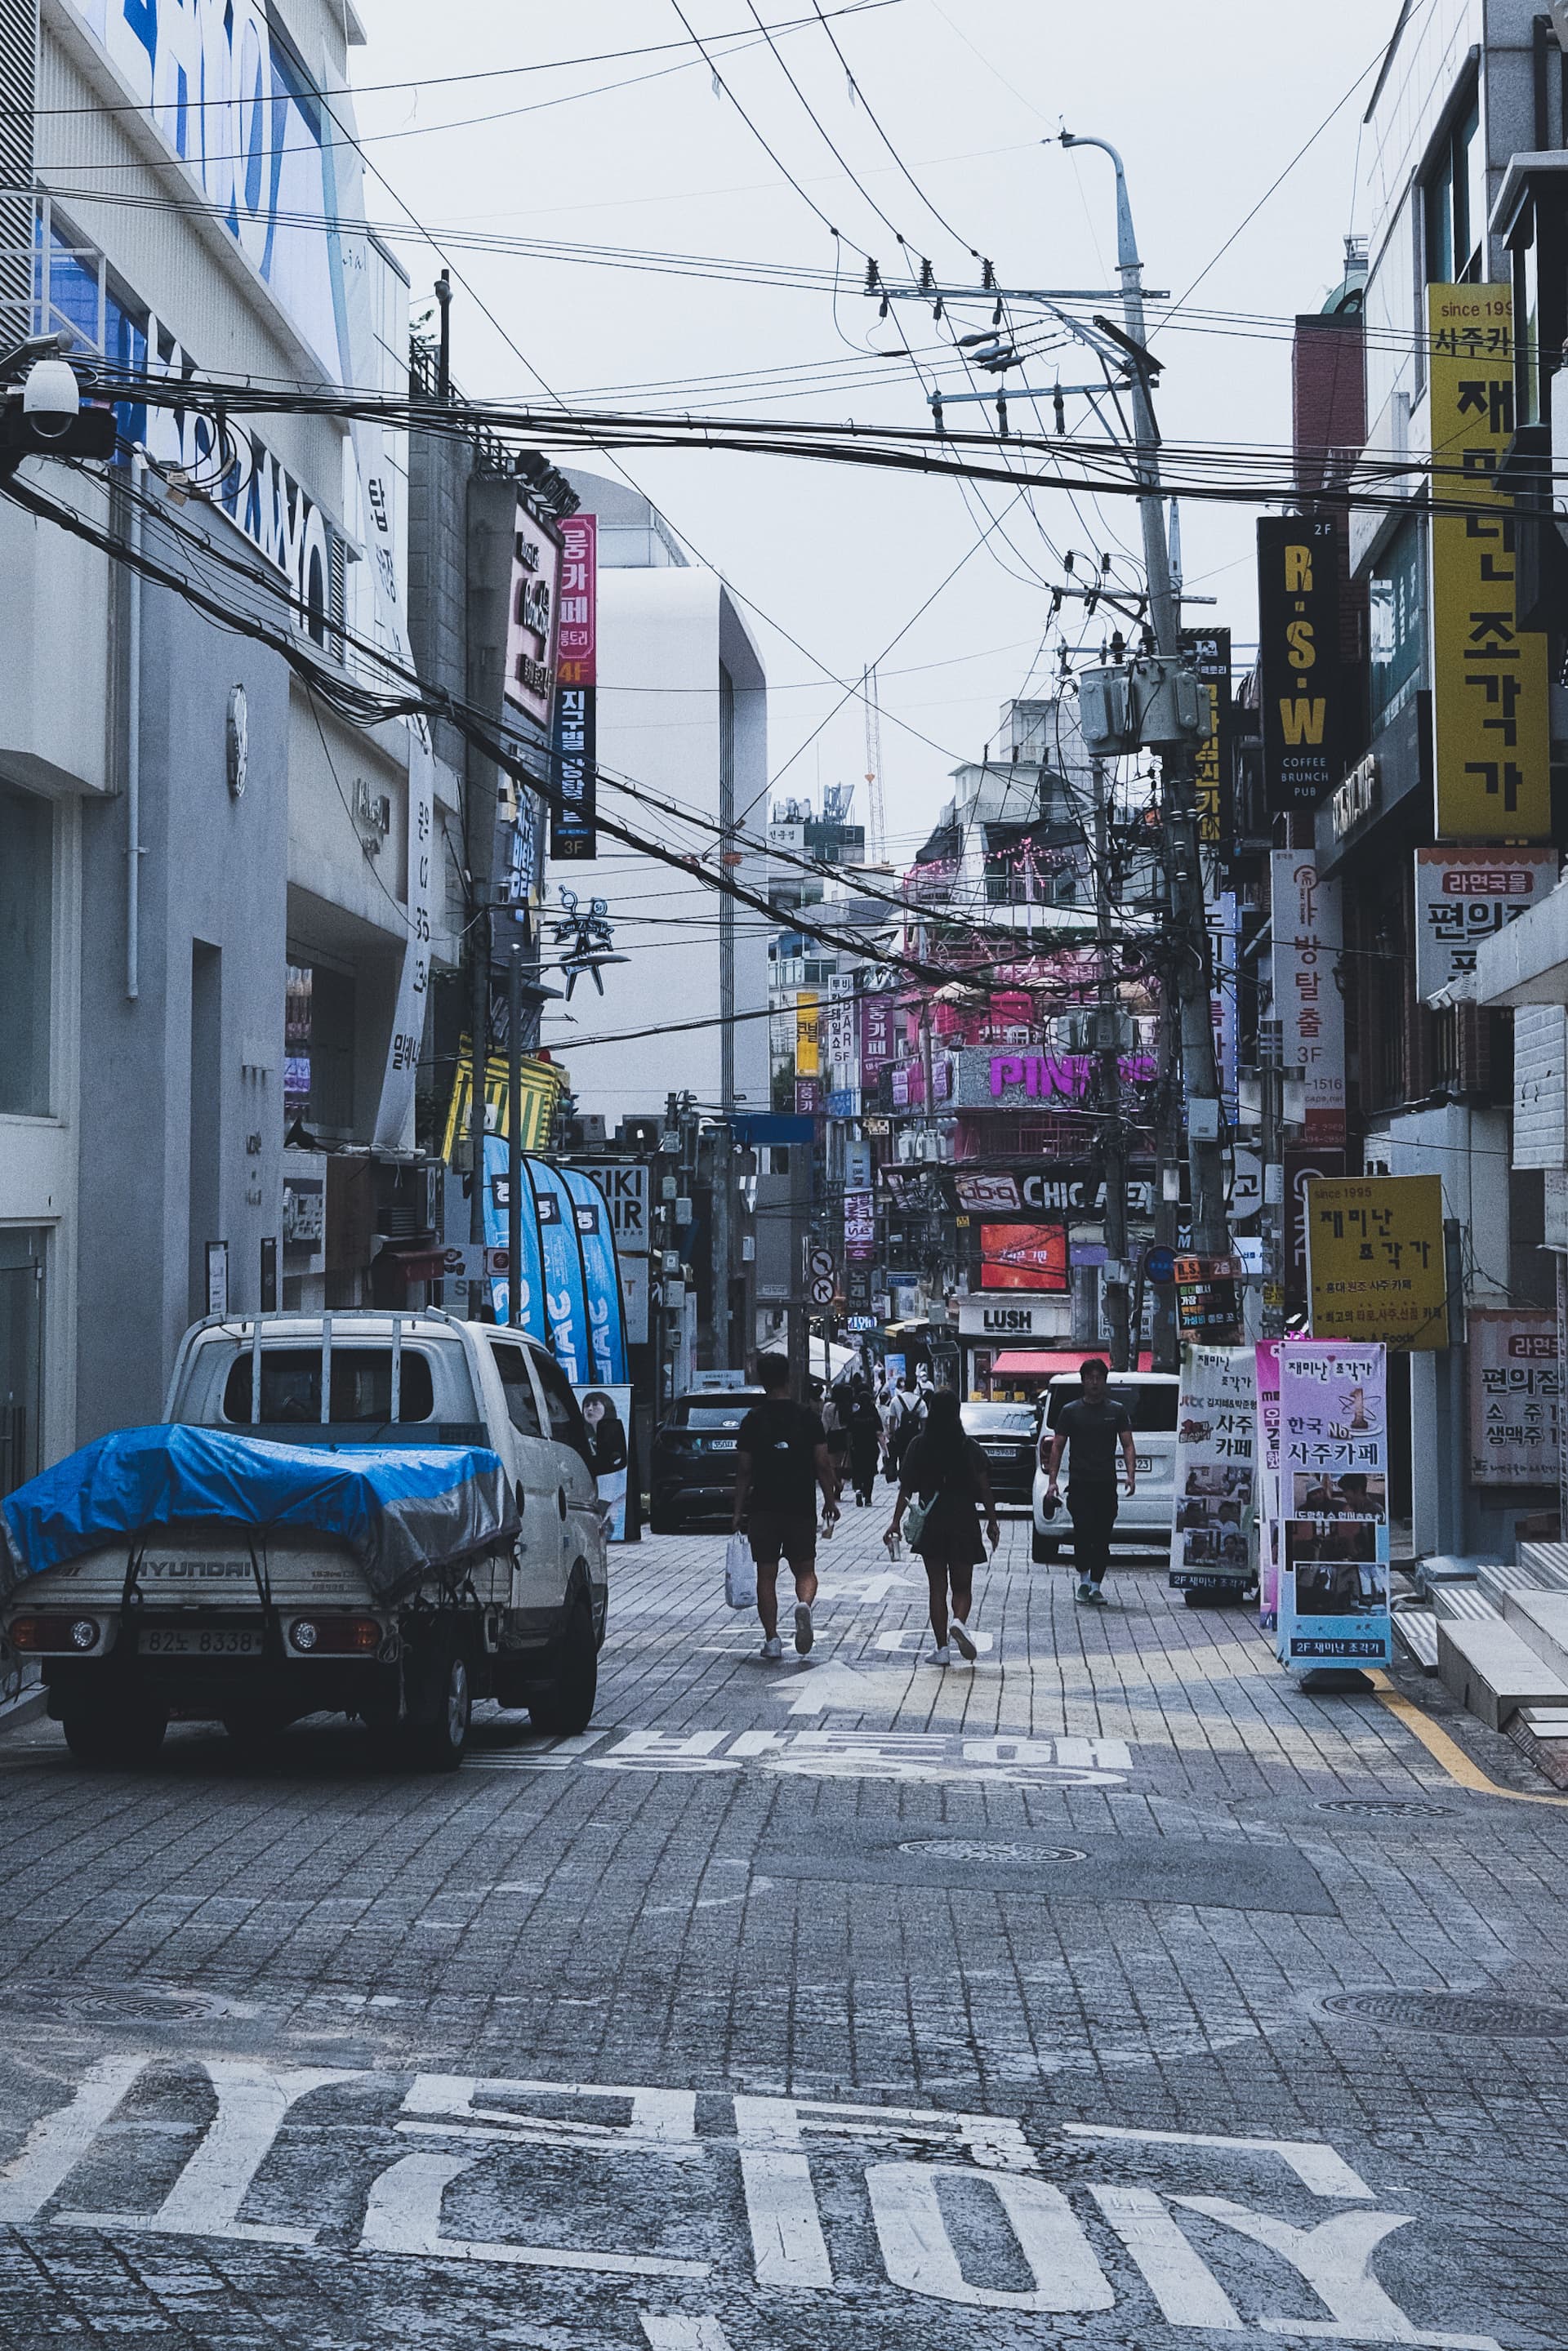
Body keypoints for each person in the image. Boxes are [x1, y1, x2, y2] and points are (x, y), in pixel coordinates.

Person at [733, 1355, 839, 1659]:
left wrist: (738, 1511)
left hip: (764, 1507)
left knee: (766, 1575)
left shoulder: (753, 1420)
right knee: (805, 1569)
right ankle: (804, 1604)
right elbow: (822, 1463)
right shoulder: (807, 1417)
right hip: (800, 1505)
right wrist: (830, 1500)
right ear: (788, 1377)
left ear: (761, 1379)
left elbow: (744, 1470)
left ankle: (772, 1639)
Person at [887, 1386, 999, 1666]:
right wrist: (992, 1522)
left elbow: (906, 1488)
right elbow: (985, 1488)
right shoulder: (969, 1447)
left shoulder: (919, 1446)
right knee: (962, 1586)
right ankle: (959, 1621)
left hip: (933, 1522)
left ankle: (942, 1648)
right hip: (964, 1520)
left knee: (937, 1587)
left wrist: (895, 1522)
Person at [1041, 1357, 1135, 1604]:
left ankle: (1096, 1586)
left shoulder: (1116, 1411)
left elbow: (1127, 1444)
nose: (1094, 1382)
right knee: (1083, 1533)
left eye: (1099, 1378)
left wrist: (1130, 1475)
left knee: (1102, 1537)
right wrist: (1052, 1481)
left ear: (1105, 1381)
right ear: (1083, 1381)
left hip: (1105, 1484)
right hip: (1080, 1484)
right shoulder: (1070, 1411)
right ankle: (1083, 1581)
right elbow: (1057, 1447)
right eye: (1090, 1378)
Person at [846, 1378, 883, 1507]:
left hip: (856, 1447)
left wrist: (848, 1447)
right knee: (869, 1472)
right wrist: (885, 1449)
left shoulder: (854, 1416)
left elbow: (849, 1433)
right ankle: (868, 1497)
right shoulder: (874, 1416)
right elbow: (879, 1433)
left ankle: (858, 1490)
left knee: (858, 1470)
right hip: (871, 1448)